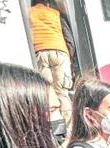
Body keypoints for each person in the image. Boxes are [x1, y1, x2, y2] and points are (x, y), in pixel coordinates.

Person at [30, 0, 74, 128]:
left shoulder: (29, 13)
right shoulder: (55, 13)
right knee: (62, 93)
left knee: (47, 93)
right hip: (60, 52)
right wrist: (69, 57)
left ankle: (54, 127)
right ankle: (68, 128)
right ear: (48, 3)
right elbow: (69, 38)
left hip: (40, 53)